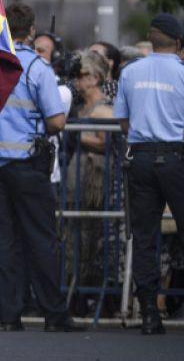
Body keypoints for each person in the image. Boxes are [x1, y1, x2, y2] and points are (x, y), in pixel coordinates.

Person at [113, 13, 184, 336]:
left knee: (145, 238)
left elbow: (124, 124)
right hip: (178, 160)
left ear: (151, 39)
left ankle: (149, 314)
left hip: (141, 160)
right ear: (178, 43)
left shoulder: (130, 72)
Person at [0, 3, 83, 332]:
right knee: (42, 239)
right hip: (28, 164)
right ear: (31, 31)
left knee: (2, 242)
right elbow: (56, 121)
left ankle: (9, 315)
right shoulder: (38, 68)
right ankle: (54, 314)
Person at [66, 52, 115, 307]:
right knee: (73, 238)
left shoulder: (103, 109)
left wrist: (74, 134)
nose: (76, 80)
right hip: (76, 180)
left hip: (93, 181)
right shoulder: (80, 107)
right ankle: (75, 291)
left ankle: (85, 294)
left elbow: (104, 142)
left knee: (88, 237)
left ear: (95, 78)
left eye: (82, 75)